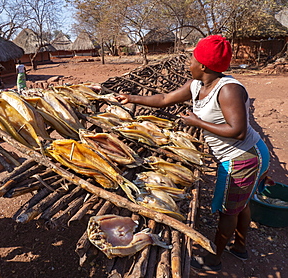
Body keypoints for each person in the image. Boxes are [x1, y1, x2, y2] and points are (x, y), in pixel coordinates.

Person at [115, 35, 270, 272]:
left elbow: (237, 131)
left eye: (192, 58)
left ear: (204, 66)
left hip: (243, 157)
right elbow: (165, 99)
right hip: (236, 156)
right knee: (241, 205)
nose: (189, 63)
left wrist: (198, 123)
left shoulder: (228, 90)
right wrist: (131, 98)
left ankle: (214, 259)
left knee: (229, 211)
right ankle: (240, 247)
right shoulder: (197, 84)